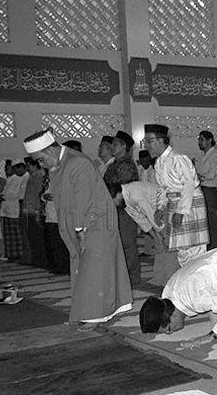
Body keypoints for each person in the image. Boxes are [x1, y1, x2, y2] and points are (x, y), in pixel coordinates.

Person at [23, 129, 133, 328]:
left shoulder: (76, 163)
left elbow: (84, 200)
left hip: (95, 224)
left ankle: (95, 316)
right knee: (84, 270)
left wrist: (80, 231)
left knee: (94, 270)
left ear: (49, 151)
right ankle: (91, 311)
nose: (41, 165)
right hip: (82, 223)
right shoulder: (60, 164)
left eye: (40, 160)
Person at [145, 123, 210, 266]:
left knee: (194, 250)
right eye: (145, 141)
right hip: (176, 205)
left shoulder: (178, 158)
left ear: (162, 140)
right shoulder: (159, 163)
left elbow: (189, 185)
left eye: (150, 140)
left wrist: (181, 212)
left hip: (189, 205)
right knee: (182, 250)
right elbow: (162, 189)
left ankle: (200, 285)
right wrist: (160, 208)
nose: (146, 145)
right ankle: (187, 284)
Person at [104, 130, 141, 288]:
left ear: (124, 146)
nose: (112, 147)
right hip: (113, 208)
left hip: (125, 209)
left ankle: (132, 279)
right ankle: (122, 276)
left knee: (127, 244)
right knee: (117, 244)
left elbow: (123, 187)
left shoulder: (126, 164)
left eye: (115, 144)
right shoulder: (113, 164)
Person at [195, 130, 217, 250]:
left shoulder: (216, 155)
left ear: (209, 140)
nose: (199, 142)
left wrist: (197, 176)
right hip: (202, 189)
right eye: (199, 139)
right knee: (205, 221)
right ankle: (209, 247)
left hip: (210, 191)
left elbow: (211, 175)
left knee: (212, 221)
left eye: (201, 139)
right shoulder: (202, 156)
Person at [21, 157, 48, 268]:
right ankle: (36, 259)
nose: (27, 168)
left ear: (35, 165)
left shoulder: (39, 177)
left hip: (35, 211)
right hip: (28, 211)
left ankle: (41, 261)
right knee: (31, 237)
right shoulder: (31, 177)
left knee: (38, 238)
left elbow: (38, 195)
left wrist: (37, 211)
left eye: (29, 165)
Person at [0, 160, 28, 262]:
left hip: (14, 210)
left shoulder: (20, 178)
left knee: (16, 235)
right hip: (7, 210)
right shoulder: (12, 178)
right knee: (10, 235)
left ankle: (18, 255)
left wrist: (3, 197)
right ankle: (11, 255)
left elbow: (15, 194)